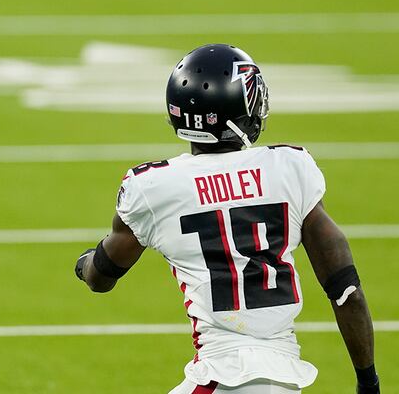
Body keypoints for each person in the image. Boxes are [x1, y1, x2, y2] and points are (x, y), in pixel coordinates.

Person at [74, 44, 380, 394]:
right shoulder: (290, 168)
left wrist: (83, 264)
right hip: (284, 378)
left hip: (223, 377)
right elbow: (347, 293)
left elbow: (101, 276)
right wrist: (368, 381)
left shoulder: (155, 186)